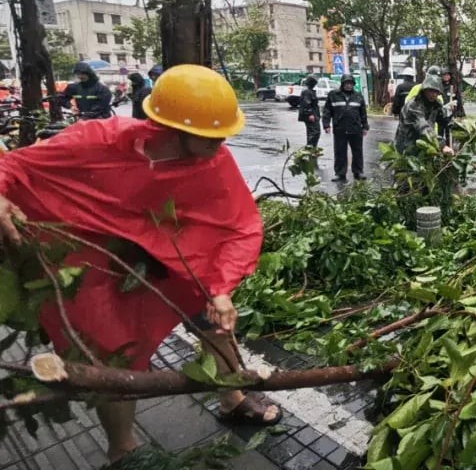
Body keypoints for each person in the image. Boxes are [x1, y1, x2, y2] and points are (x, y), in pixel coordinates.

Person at [0, 65, 275, 464]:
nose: (221, 143)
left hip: (180, 266)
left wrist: (221, 287)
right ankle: (122, 449)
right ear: (171, 129)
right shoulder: (96, 141)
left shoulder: (214, 163)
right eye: (210, 136)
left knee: (216, 325)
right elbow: (14, 166)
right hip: (103, 268)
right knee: (113, 359)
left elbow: (241, 226)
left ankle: (232, 396)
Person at [322, 74, 369, 182]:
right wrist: (326, 124)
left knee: (357, 152)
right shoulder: (333, 95)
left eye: (350, 83)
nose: (348, 85)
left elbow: (363, 113)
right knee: (340, 152)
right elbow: (327, 111)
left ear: (353, 84)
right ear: (342, 84)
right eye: (346, 83)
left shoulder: (358, 96)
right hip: (340, 128)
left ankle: (358, 172)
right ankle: (340, 174)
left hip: (355, 129)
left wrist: (365, 126)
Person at [395, 74, 454, 156]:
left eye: (436, 92)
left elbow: (444, 120)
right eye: (430, 91)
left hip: (424, 146)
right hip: (407, 147)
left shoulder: (435, 105)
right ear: (424, 90)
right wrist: (442, 145)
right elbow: (423, 127)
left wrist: (455, 125)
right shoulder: (413, 106)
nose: (433, 94)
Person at [298, 75, 321, 148]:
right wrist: (310, 114)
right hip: (311, 115)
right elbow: (306, 103)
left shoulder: (309, 91)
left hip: (314, 114)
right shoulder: (307, 92)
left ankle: (311, 148)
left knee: (314, 132)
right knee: (314, 132)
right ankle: (310, 148)